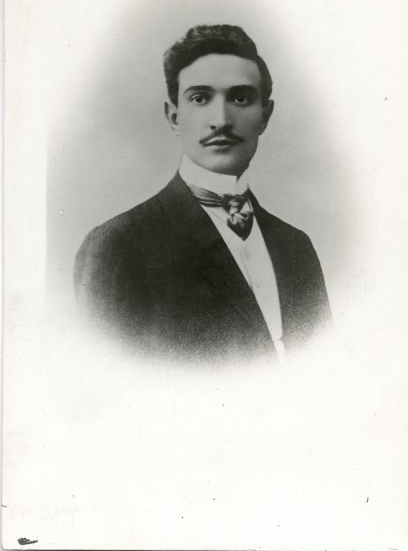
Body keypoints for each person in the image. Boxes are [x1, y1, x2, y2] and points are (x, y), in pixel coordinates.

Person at [74, 24, 332, 364]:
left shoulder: (296, 247)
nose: (221, 120)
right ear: (173, 117)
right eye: (200, 98)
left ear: (265, 116)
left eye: (240, 98)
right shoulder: (118, 245)